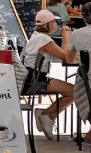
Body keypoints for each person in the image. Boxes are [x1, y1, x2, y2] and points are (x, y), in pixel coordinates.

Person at [22, 9, 75, 137]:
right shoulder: (44, 39)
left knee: (73, 92)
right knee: (75, 92)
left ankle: (48, 116)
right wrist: (66, 37)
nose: (56, 24)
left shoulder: (36, 36)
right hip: (36, 81)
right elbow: (65, 57)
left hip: (31, 78)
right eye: (55, 22)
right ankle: (46, 115)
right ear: (49, 24)